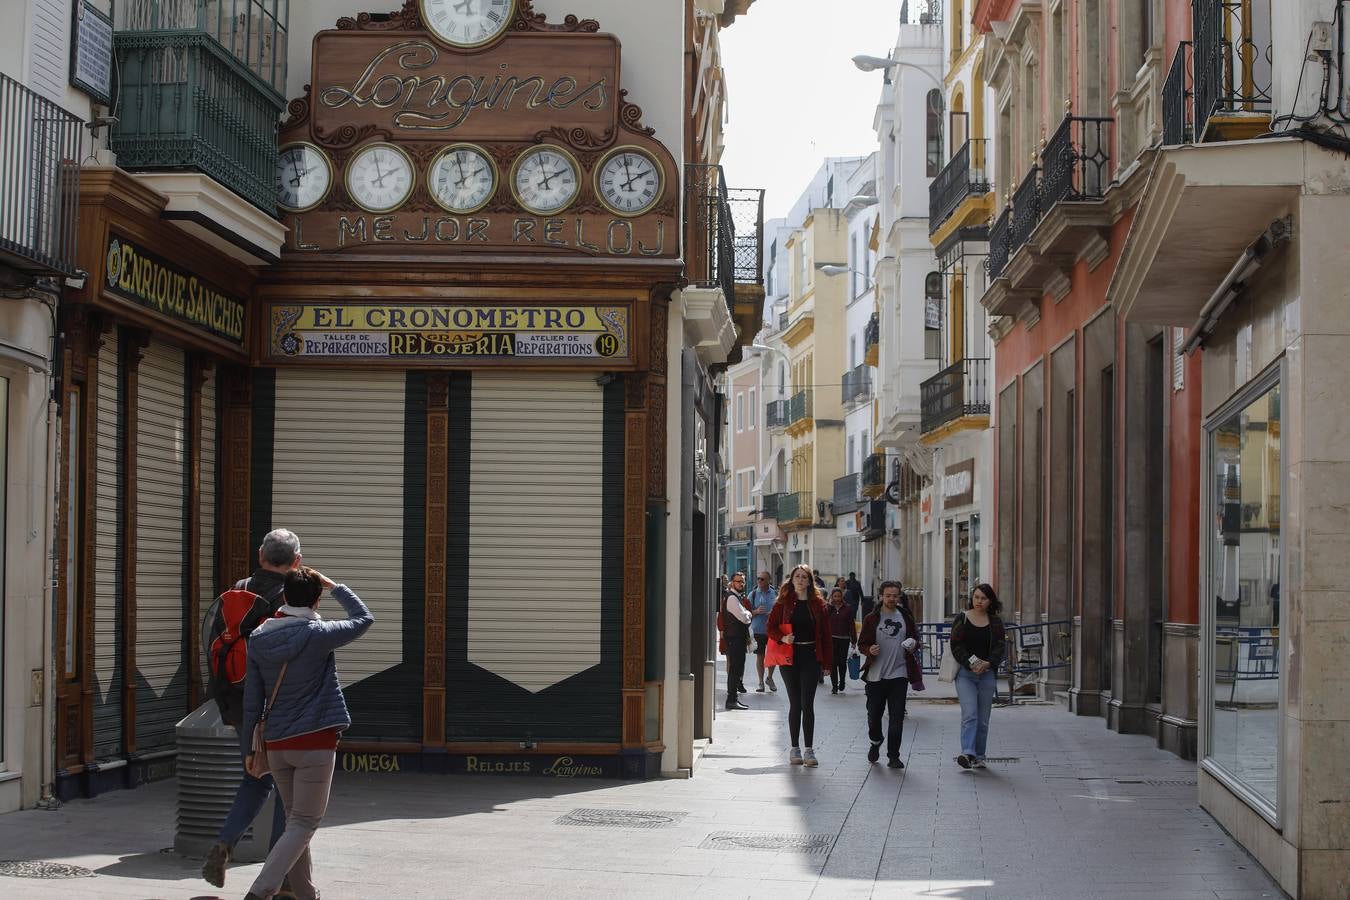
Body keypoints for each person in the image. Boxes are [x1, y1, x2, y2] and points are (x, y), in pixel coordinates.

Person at [242, 566, 374, 900]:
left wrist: (248, 747)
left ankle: (305, 894)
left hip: (276, 743)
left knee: (294, 822)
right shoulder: (319, 634)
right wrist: (335, 586)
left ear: (284, 596)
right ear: (316, 600)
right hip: (315, 740)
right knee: (304, 822)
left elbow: (252, 700)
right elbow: (363, 618)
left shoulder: (258, 638)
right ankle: (260, 891)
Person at [201, 528, 301, 891]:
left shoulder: (238, 589)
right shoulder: (293, 596)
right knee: (287, 788)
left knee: (255, 777)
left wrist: (227, 703)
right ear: (296, 561)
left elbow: (216, 646)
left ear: (261, 555)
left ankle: (224, 842)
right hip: (278, 706)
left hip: (240, 703)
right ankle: (284, 876)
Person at [767, 564, 833, 766]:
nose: (801, 580)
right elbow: (770, 627)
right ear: (792, 579)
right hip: (790, 658)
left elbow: (826, 636)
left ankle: (809, 750)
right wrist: (783, 638)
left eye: (804, 577)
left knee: (808, 704)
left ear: (810, 581)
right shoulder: (783, 603)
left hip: (811, 657)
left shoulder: (818, 604)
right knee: (795, 703)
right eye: (797, 576)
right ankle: (794, 748)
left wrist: (827, 663)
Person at [858, 582, 924, 768]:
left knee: (896, 717)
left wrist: (913, 644)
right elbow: (862, 643)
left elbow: (915, 639)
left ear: (899, 596)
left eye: (895, 595)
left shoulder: (905, 616)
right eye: (888, 595)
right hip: (875, 676)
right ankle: (876, 741)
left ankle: (893, 755)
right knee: (874, 716)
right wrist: (869, 649)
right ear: (881, 596)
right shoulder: (872, 618)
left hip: (899, 674)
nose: (891, 599)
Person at [949, 583, 1006, 770]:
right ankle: (967, 752)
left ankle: (979, 755)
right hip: (966, 674)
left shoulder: (996, 622)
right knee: (970, 714)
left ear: (990, 601)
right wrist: (972, 663)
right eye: (976, 597)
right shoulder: (962, 619)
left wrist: (988, 663)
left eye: (983, 598)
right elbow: (957, 645)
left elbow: (1000, 646)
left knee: (983, 718)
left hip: (987, 674)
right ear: (971, 598)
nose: (979, 601)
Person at [722, 571, 752, 710]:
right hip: (734, 639)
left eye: (742, 581)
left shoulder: (737, 597)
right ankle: (731, 699)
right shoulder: (732, 598)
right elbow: (744, 617)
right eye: (738, 581)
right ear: (732, 583)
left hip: (737, 638)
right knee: (735, 669)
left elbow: (745, 615)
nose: (740, 583)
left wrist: (747, 614)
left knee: (737, 668)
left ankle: (733, 698)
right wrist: (748, 614)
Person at [748, 572, 778, 692]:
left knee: (772, 656)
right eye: (758, 579)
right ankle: (761, 682)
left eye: (762, 579)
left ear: (769, 580)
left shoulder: (775, 594)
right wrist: (756, 611)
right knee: (760, 656)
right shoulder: (753, 594)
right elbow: (746, 611)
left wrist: (773, 614)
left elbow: (781, 610)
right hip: (758, 630)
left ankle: (769, 678)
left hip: (772, 630)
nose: (759, 581)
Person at [827, 588, 855, 694]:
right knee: (833, 663)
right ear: (832, 597)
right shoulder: (829, 608)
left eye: (839, 596)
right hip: (831, 639)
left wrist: (853, 640)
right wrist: (830, 605)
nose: (837, 598)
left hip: (844, 639)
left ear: (842, 597)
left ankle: (842, 681)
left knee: (842, 662)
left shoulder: (847, 608)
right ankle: (834, 686)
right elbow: (824, 620)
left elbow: (851, 625)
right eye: (835, 596)